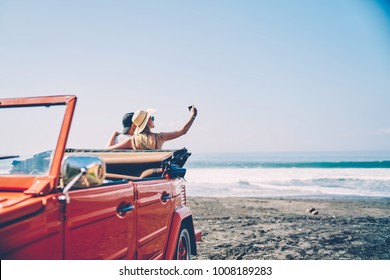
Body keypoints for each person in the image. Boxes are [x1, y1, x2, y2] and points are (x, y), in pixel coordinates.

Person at [132, 106, 197, 150]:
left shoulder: (133, 140)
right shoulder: (160, 137)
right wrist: (193, 116)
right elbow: (183, 131)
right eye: (152, 118)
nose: (153, 119)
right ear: (148, 121)